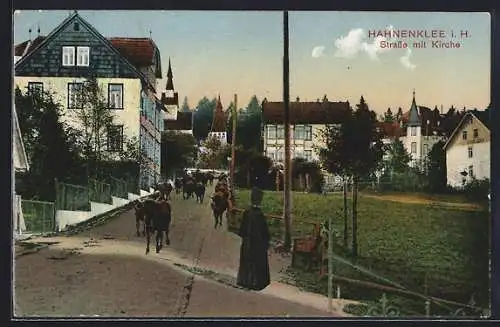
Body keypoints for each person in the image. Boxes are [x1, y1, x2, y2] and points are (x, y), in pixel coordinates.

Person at [236, 187, 271, 291]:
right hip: (258, 244)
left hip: (247, 242)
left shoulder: (247, 212)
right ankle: (256, 282)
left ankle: (245, 281)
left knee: (247, 260)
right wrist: (266, 242)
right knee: (257, 262)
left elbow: (241, 230)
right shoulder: (260, 215)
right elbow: (265, 232)